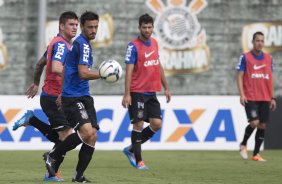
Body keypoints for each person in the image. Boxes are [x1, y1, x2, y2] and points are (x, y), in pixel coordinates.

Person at [12, 11, 79, 181]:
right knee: (67, 137)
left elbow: (39, 64)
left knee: (61, 137)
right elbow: (56, 68)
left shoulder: (54, 44)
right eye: (71, 24)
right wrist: (74, 74)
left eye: (76, 25)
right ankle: (51, 171)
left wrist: (35, 83)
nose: (75, 27)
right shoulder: (62, 45)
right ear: (61, 26)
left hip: (55, 95)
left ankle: (32, 120)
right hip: (54, 96)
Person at [44, 11, 103, 183]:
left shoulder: (82, 44)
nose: (93, 30)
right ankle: (53, 155)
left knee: (92, 136)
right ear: (83, 27)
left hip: (83, 95)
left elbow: (67, 71)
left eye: (96, 27)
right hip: (74, 97)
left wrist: (61, 91)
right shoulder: (82, 45)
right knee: (85, 132)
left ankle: (78, 176)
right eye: (90, 27)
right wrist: (103, 74)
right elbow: (83, 73)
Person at [122, 13, 171, 170]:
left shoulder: (155, 43)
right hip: (137, 92)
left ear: (153, 27)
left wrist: (167, 87)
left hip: (151, 92)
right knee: (139, 124)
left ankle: (130, 149)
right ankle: (139, 161)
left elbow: (158, 65)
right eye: (144, 27)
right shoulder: (133, 46)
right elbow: (129, 70)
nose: (147, 30)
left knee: (157, 124)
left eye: (150, 27)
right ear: (139, 28)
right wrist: (127, 93)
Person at [237, 31, 276, 161]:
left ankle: (255, 154)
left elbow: (270, 79)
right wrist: (242, 94)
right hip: (251, 96)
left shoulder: (269, 58)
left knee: (262, 125)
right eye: (257, 41)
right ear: (253, 42)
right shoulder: (245, 57)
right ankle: (243, 144)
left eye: (262, 41)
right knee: (254, 122)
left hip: (265, 97)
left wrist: (272, 97)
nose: (260, 43)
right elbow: (239, 76)